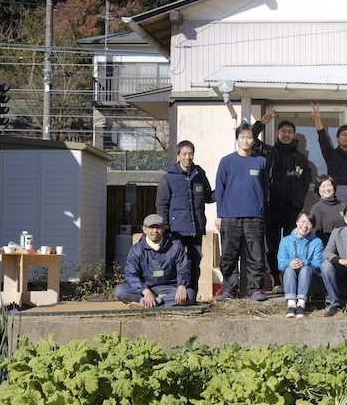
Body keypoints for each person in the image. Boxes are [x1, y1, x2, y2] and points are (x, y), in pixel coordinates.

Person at [252, 110, 312, 293]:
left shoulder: (301, 158)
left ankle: (289, 279)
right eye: (283, 131)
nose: (286, 135)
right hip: (271, 206)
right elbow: (251, 139)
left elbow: (306, 181)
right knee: (272, 244)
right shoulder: (269, 152)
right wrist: (261, 123)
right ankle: (275, 280)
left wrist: (299, 201)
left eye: (290, 132)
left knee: (290, 244)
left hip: (292, 209)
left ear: (294, 135)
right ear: (278, 133)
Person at [214, 122, 269, 302]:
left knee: (256, 255)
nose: (246, 140)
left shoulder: (260, 161)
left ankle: (255, 289)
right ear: (237, 139)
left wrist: (262, 212)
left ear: (254, 140)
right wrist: (219, 215)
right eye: (242, 137)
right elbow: (219, 190)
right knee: (229, 255)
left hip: (254, 217)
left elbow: (264, 189)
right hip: (230, 216)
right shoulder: (227, 161)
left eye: (249, 137)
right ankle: (229, 290)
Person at [155, 140, 214, 291]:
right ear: (178, 155)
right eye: (185, 154)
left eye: (191, 154)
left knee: (195, 263)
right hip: (176, 231)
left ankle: (192, 295)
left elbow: (208, 197)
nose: (188, 157)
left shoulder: (199, 176)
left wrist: (225, 188)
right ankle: (175, 295)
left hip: (196, 230)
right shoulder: (168, 179)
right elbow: (162, 206)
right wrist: (164, 229)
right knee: (177, 264)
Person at [114, 214, 196, 308]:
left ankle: (148, 304)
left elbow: (183, 268)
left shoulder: (175, 246)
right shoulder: (136, 249)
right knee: (119, 291)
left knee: (190, 294)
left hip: (170, 288)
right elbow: (131, 275)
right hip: (146, 288)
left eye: (158, 227)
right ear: (144, 229)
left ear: (164, 228)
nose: (155, 231)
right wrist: (146, 292)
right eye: (151, 228)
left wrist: (182, 285)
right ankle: (159, 302)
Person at [277, 210, 325, 319]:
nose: (305, 226)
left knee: (306, 269)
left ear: (312, 226)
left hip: (312, 281)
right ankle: (291, 305)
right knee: (289, 269)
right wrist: (290, 262)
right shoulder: (285, 241)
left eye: (309, 223)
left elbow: (319, 264)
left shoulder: (317, 242)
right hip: (293, 280)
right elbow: (281, 264)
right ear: (297, 222)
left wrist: (305, 262)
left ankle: (301, 305)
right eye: (302, 222)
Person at [309, 175, 347, 246]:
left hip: (344, 246)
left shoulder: (343, 206)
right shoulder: (317, 208)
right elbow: (316, 233)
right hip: (327, 247)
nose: (327, 189)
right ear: (318, 189)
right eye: (323, 186)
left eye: (329, 185)